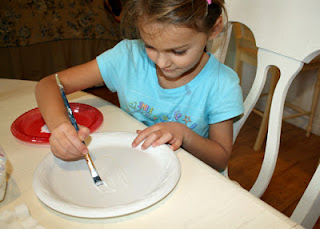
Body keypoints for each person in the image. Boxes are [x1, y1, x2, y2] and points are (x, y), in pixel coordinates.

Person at [35, 0, 243, 172]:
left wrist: (184, 134)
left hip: (191, 176)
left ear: (214, 28)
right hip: (132, 166)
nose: (162, 63)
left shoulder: (222, 84)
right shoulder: (127, 57)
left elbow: (220, 159)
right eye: (150, 46)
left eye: (178, 52)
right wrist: (60, 128)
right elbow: (48, 85)